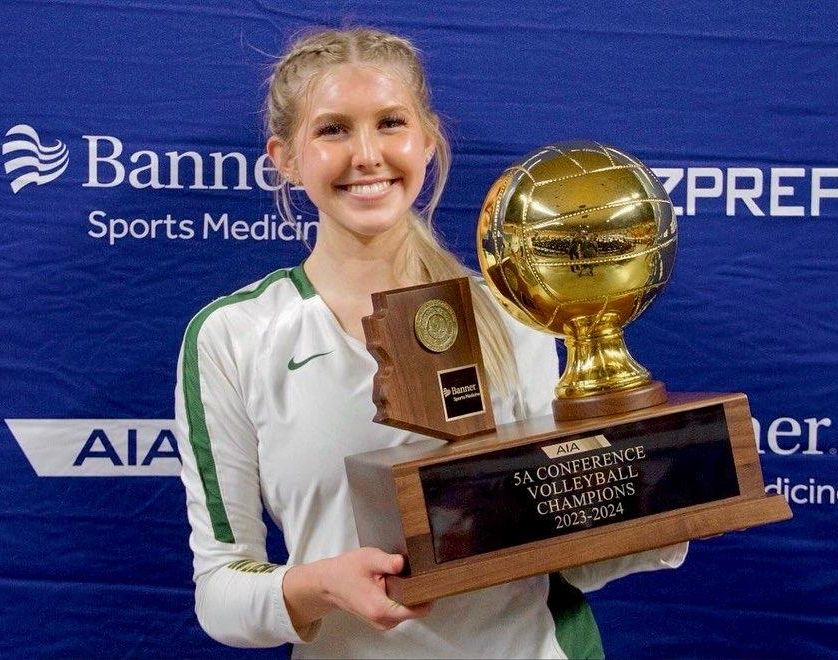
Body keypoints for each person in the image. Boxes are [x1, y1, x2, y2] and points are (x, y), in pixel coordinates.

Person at [175, 27, 687, 659]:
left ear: (428, 139)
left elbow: (569, 557)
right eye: (333, 130)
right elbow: (221, 590)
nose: (367, 155)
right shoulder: (234, 336)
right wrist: (320, 587)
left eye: (390, 123)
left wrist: (666, 502)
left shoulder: (514, 311)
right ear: (284, 158)